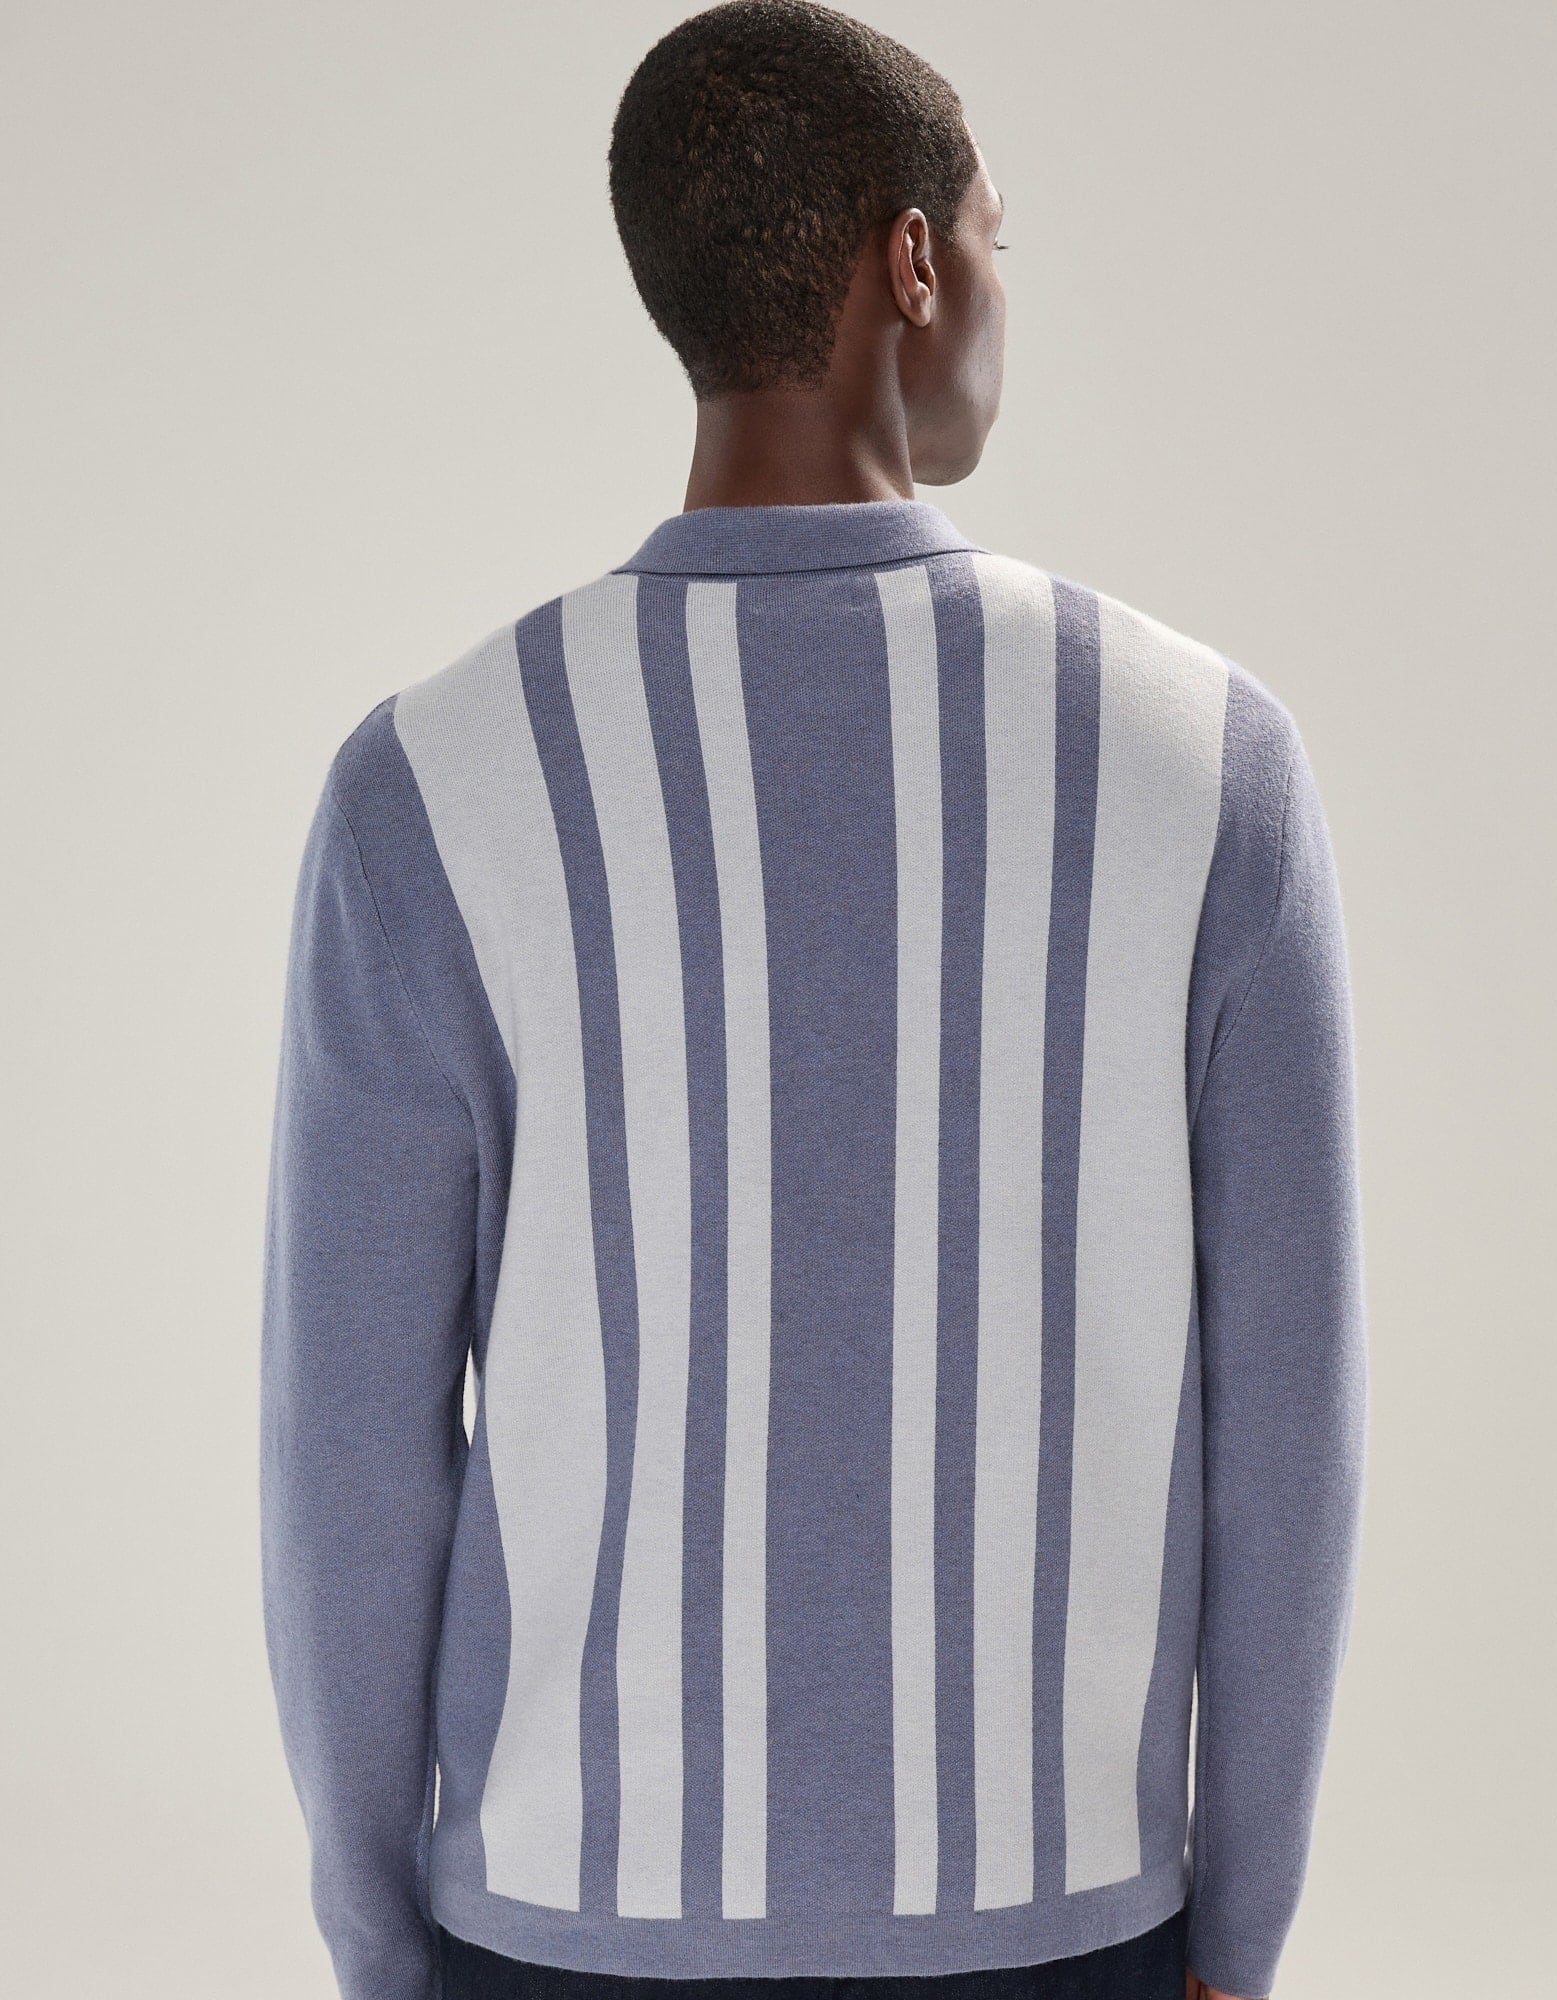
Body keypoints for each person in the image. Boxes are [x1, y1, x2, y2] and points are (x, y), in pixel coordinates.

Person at [258, 5, 1368, 1998]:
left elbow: (345, 1453)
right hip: (1064, 1924)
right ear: (910, 260)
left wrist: (376, 1938)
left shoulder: (427, 786)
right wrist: (1242, 1925)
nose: (1004, 289)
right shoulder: (1209, 765)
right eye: (998, 237)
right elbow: (1284, 1424)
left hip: (560, 1931)